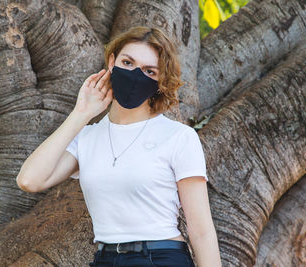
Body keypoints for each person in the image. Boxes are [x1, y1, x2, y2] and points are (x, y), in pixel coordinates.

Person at [16, 26, 222, 267]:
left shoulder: (178, 137)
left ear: (160, 80)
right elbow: (29, 180)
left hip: (160, 257)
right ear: (112, 62)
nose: (135, 75)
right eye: (127, 62)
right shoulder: (87, 137)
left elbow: (201, 232)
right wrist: (81, 113)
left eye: (149, 71)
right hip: (105, 258)